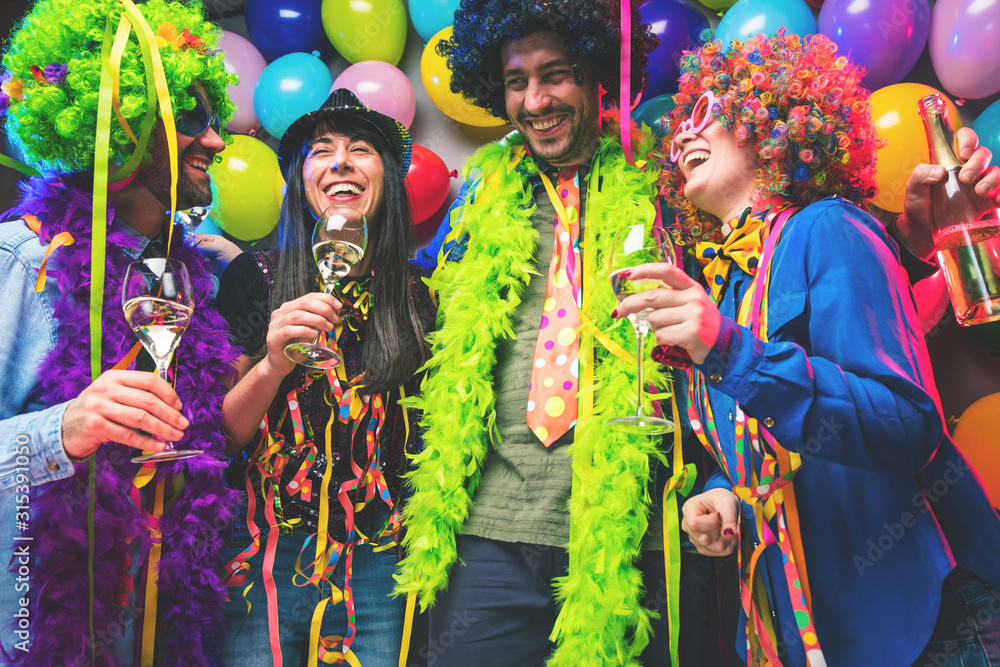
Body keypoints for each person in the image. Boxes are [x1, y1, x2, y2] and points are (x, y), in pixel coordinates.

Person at [615, 31, 1000, 667]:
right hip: (805, 631)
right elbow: (767, 443)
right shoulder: (730, 285)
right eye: (681, 120)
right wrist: (722, 493)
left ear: (772, 120)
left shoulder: (828, 225)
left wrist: (732, 353)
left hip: (921, 622)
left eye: (708, 111)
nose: (682, 132)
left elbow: (909, 425)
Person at [398, 2, 715, 665]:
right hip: (490, 532)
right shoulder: (477, 198)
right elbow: (412, 310)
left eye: (557, 74)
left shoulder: (671, 188)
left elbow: (748, 301)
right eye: (517, 80)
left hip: (632, 531)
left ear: (596, 72)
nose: (535, 99)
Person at [0, 0, 239, 663]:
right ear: (125, 120)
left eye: (215, 119)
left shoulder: (178, 273)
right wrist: (63, 428)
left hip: (149, 628)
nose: (216, 142)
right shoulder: (24, 258)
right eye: (192, 118)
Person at [215, 89, 435, 666]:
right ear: (301, 181)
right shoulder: (255, 278)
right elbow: (220, 438)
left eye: (361, 150)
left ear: (385, 179)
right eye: (322, 151)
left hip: (383, 556)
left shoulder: (423, 296)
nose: (340, 161)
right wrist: (272, 364)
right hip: (267, 550)